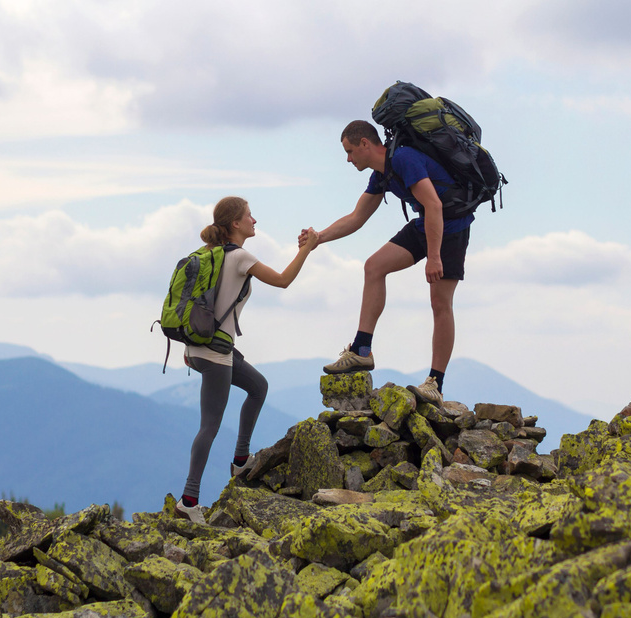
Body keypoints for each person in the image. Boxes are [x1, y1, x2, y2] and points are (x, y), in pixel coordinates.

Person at [301, 120, 474, 406]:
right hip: (425, 225)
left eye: (350, 151)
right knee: (374, 266)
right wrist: (319, 237)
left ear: (365, 144)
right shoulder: (382, 174)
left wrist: (433, 257)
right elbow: (356, 218)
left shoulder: (404, 159)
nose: (348, 159)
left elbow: (434, 205)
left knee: (440, 302)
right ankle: (362, 349)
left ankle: (435, 383)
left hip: (451, 228)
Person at [175, 196, 318, 524]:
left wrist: (189, 345)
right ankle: (189, 500)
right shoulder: (239, 256)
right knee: (209, 426)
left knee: (258, 386)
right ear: (235, 224)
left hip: (201, 348)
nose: (255, 221)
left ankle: (241, 460)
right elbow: (283, 280)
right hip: (214, 355)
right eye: (250, 217)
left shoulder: (209, 255)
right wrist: (306, 249)